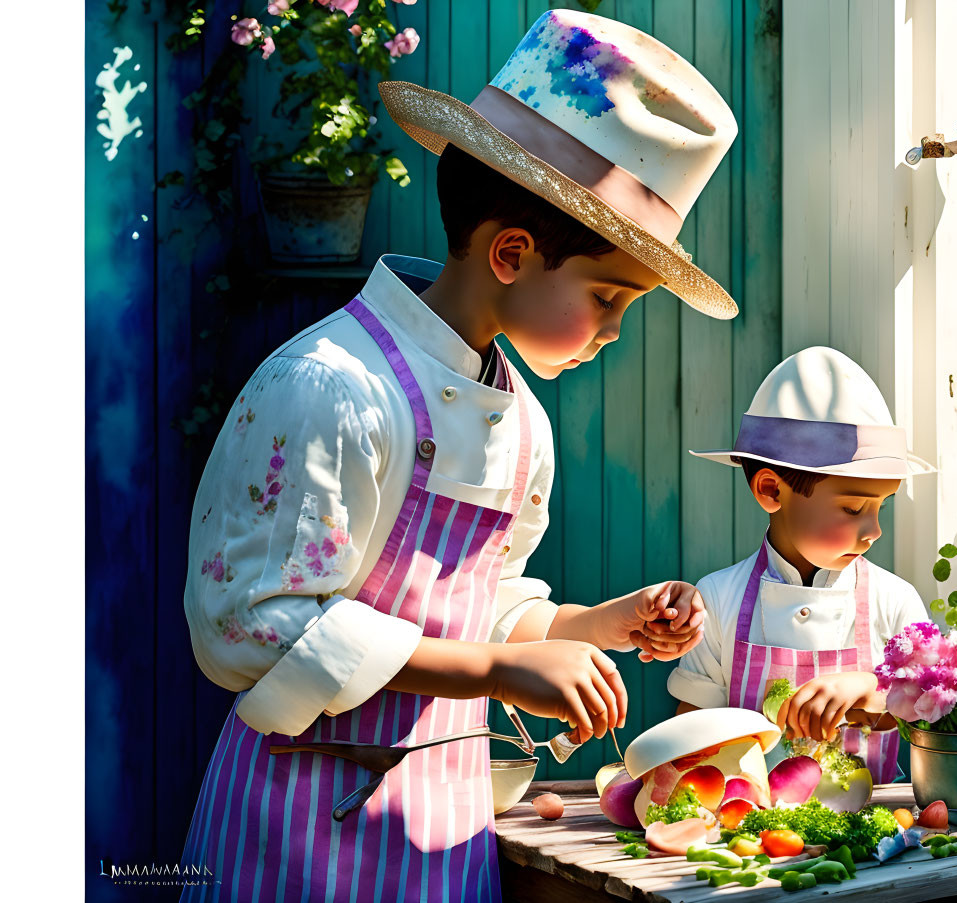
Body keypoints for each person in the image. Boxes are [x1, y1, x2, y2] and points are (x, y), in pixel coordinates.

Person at [180, 8, 740, 901]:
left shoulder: (522, 424)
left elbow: (485, 609)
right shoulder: (329, 388)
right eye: (607, 298)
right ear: (512, 252)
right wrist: (495, 669)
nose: (613, 332)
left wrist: (592, 625)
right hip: (295, 829)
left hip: (444, 829)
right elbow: (251, 626)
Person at [667, 346, 936, 784]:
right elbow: (690, 733)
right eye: (852, 509)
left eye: (881, 507)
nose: (874, 531)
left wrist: (872, 689)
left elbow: (935, 711)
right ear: (771, 491)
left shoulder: (894, 601)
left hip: (874, 834)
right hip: (749, 830)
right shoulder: (716, 599)